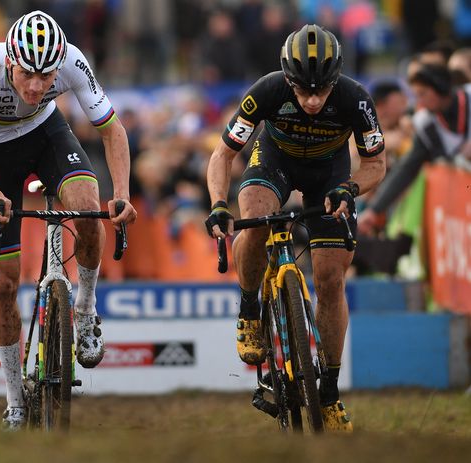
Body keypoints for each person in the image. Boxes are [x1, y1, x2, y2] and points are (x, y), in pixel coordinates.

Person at [0, 10, 137, 430]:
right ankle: (15, 399)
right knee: (3, 283)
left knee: (88, 206)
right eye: (27, 75)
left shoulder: (72, 61)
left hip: (45, 134)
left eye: (46, 77)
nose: (36, 86)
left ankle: (85, 310)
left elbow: (112, 130)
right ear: (9, 61)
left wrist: (122, 194)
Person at [205, 24, 386, 432]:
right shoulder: (267, 90)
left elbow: (376, 163)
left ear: (336, 80)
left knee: (330, 279)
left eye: (322, 90)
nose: (312, 100)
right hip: (275, 162)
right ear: (288, 80)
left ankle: (330, 392)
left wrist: (350, 187)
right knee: (254, 220)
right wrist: (217, 204)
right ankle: (249, 310)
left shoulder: (356, 99)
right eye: (303, 90)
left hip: (331, 174)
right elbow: (222, 155)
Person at [359, 64, 466, 234]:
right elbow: (407, 168)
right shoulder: (425, 122)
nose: (419, 102)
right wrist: (374, 210)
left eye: (423, 94)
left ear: (440, 87)